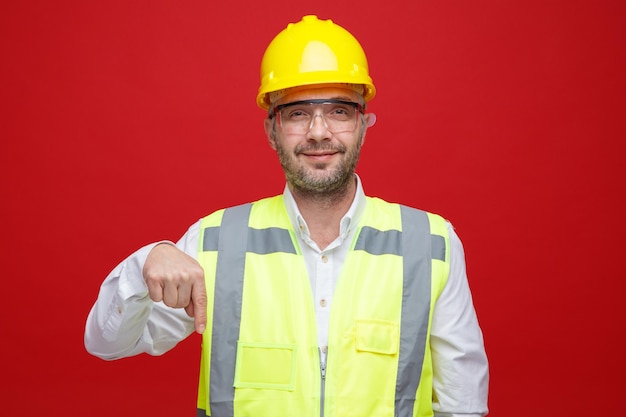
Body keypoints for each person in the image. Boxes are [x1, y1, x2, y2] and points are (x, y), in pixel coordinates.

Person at [85, 15, 489, 417]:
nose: (318, 132)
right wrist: (144, 264)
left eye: (339, 111)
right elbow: (107, 344)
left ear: (364, 124)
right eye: (297, 113)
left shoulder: (431, 245)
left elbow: (462, 404)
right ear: (271, 130)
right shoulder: (215, 243)